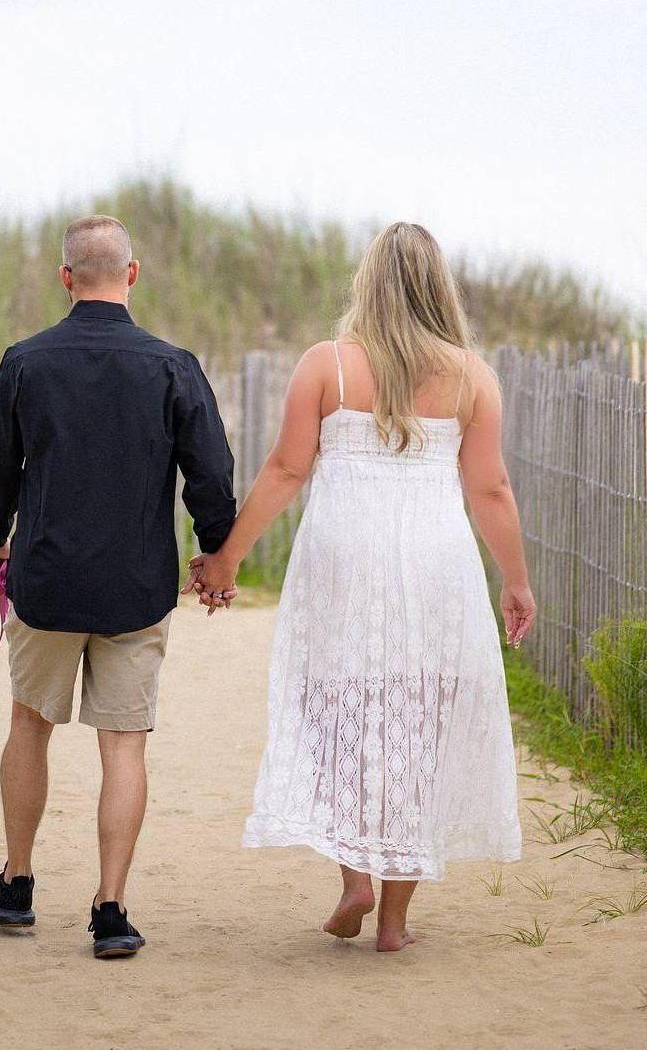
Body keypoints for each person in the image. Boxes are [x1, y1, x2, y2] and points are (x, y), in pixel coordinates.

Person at [186, 222, 535, 952]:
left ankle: (354, 880)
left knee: (337, 707)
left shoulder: (328, 365)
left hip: (342, 555)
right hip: (436, 561)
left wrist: (225, 560)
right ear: (439, 288)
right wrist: (516, 580)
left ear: (368, 284)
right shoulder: (473, 377)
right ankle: (395, 920)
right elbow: (491, 489)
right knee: (422, 717)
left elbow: (286, 469)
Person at [0, 214, 236, 959]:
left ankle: (17, 883)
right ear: (132, 273)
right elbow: (211, 472)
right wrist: (216, 553)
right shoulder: (173, 366)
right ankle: (111, 908)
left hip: (46, 583)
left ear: (65, 278)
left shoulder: (25, 362)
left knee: (29, 725)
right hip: (136, 588)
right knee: (124, 747)